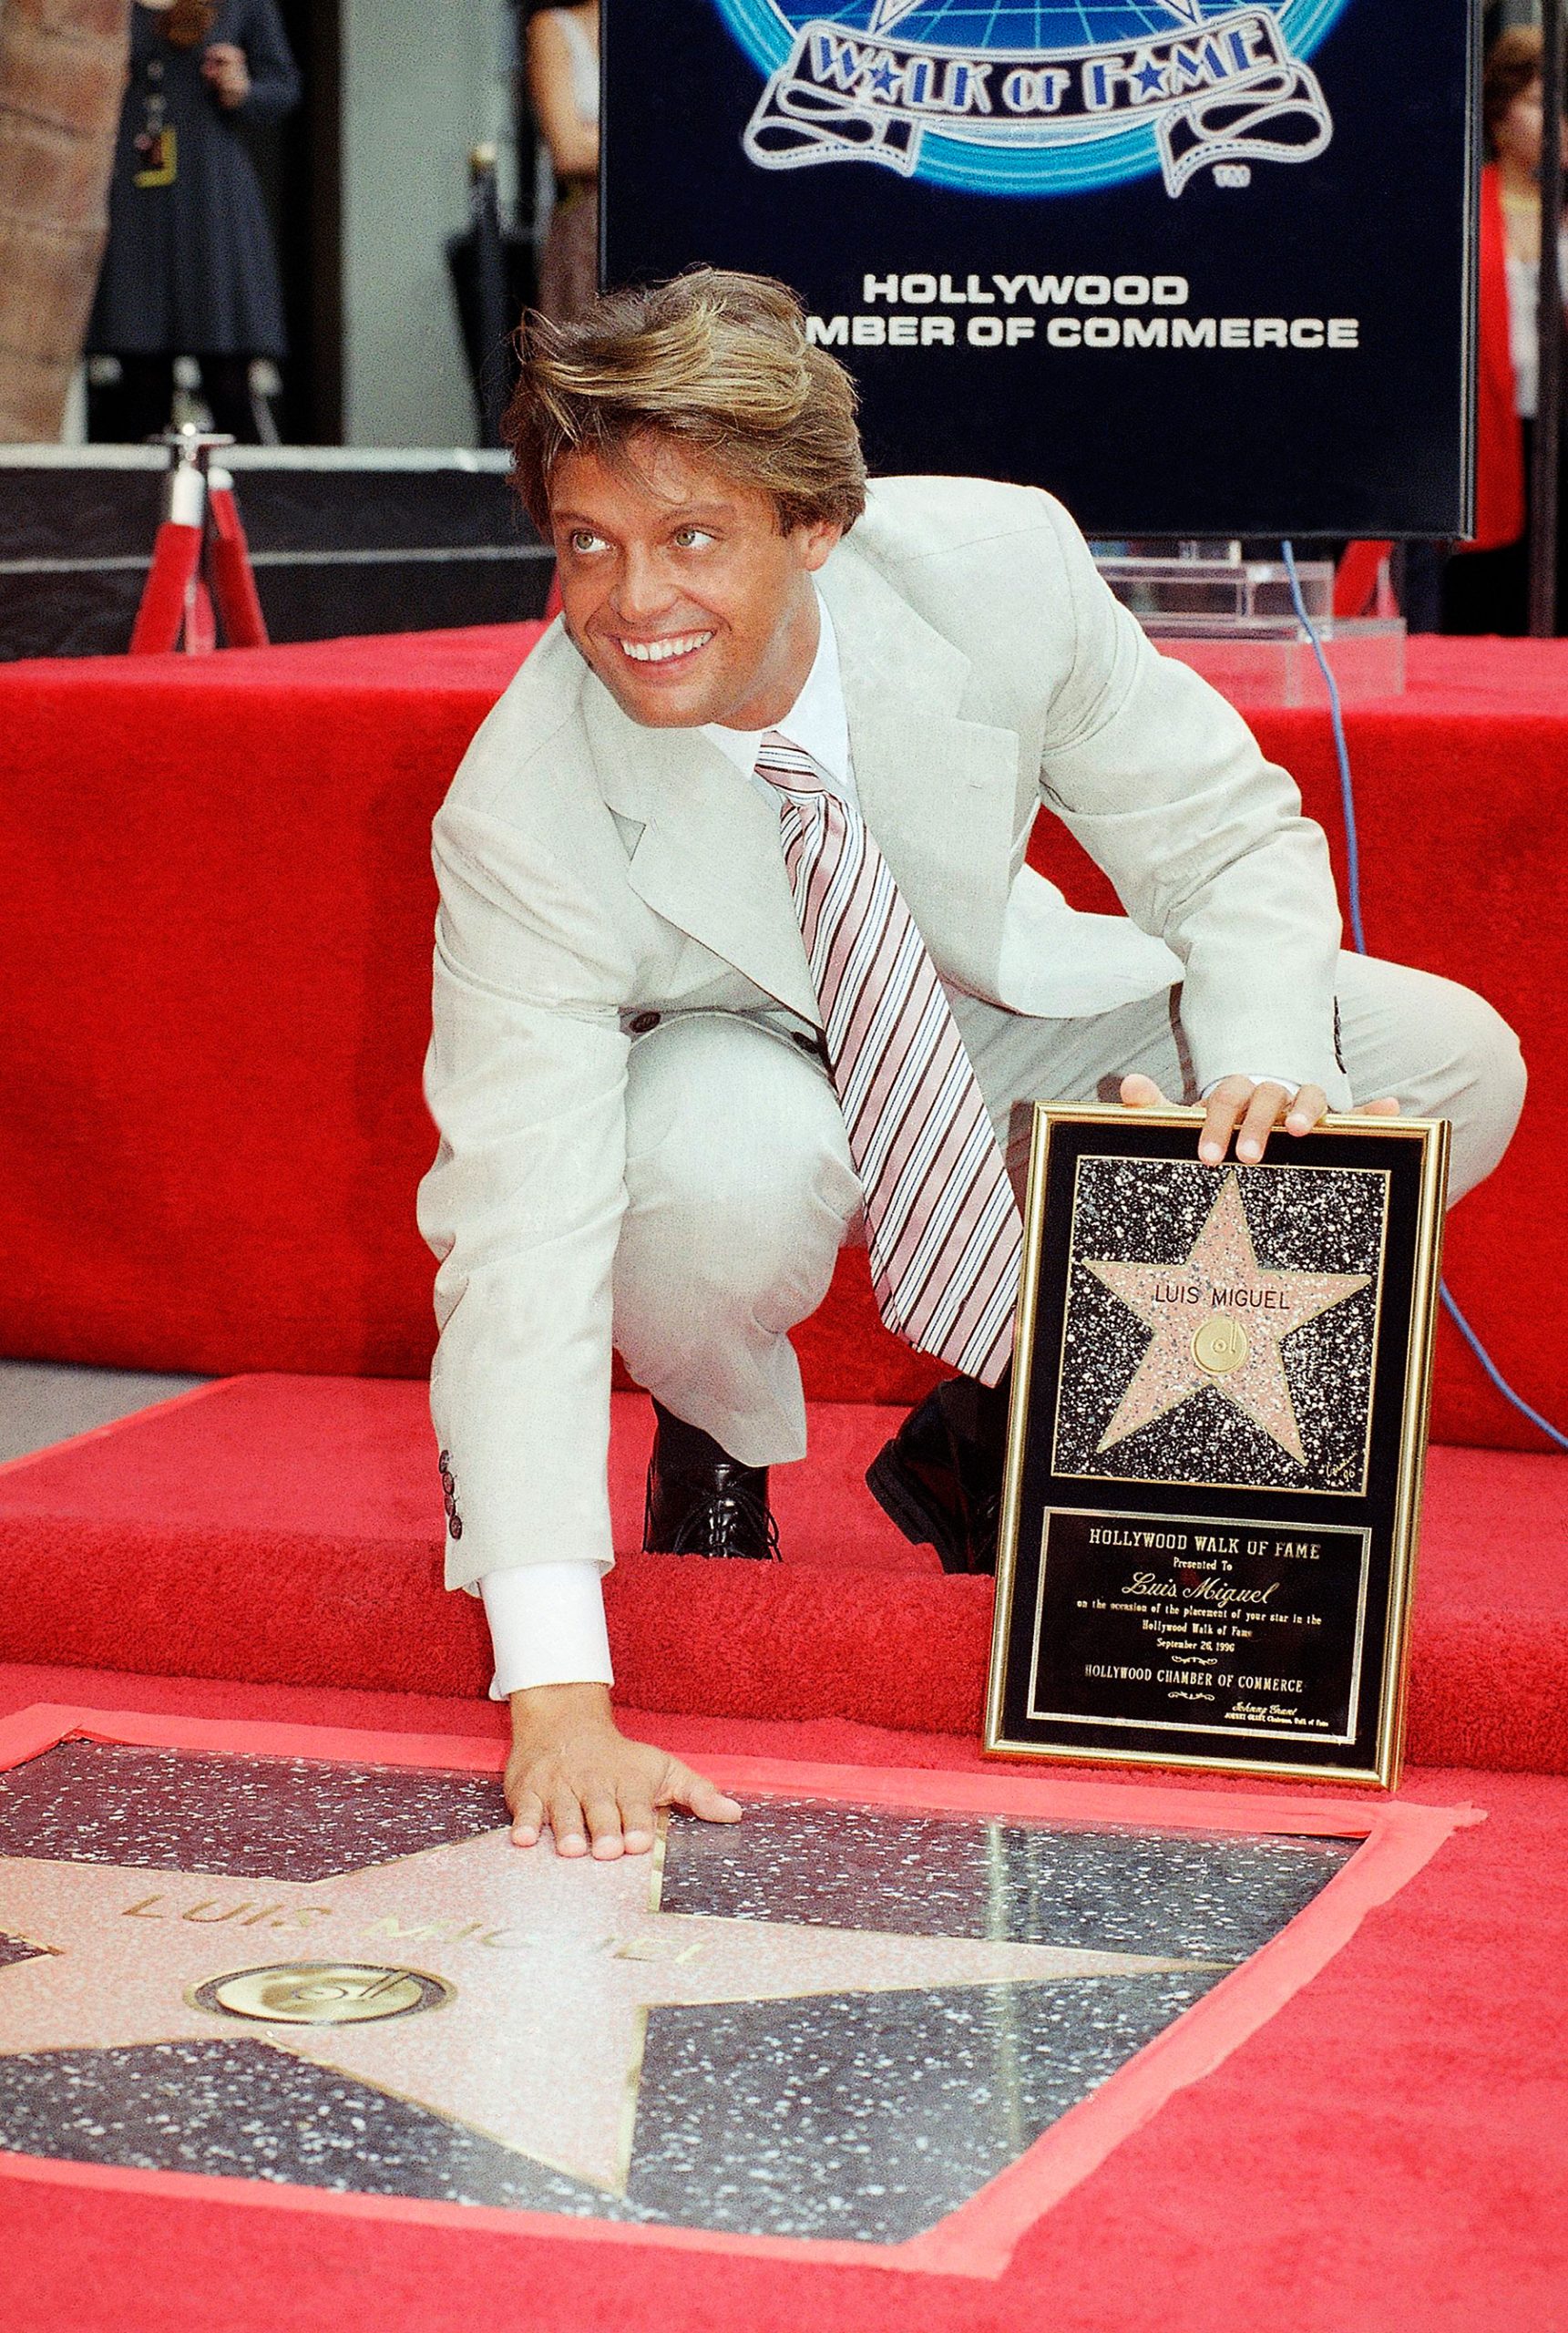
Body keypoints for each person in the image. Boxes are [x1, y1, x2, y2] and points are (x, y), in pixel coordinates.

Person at [417, 269, 1526, 1864]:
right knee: (708, 1180)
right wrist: (556, 1698)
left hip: (981, 1001)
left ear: (817, 525)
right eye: (587, 543)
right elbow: (515, 1241)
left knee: (1442, 1062)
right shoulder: (521, 809)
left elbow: (1219, 838)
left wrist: (1267, 1065)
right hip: (728, 1054)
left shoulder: (999, 567)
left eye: (693, 538)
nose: (631, 602)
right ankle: (715, 1426)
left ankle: (1000, 1430)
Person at [86, 0, 300, 445]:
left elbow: (282, 87)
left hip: (209, 197)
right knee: (139, 379)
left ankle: (245, 489)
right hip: (134, 197)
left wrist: (242, 89)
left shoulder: (241, 4)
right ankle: (141, 491)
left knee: (227, 374)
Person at [1443, 25, 1568, 634]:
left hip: (1562, 430)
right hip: (1489, 432)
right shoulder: (1463, 205)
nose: (1559, 122)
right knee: (1489, 603)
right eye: (1541, 102)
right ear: (1497, 113)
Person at [526, 0, 600, 324]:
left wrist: (593, 133)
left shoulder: (662, 32)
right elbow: (569, 151)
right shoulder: (553, 27)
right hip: (587, 223)